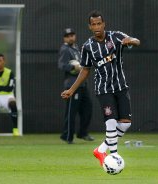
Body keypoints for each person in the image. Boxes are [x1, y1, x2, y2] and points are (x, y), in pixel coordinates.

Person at [61, 10, 140, 165]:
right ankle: (114, 157)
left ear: (104, 24)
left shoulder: (115, 36)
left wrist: (131, 41)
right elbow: (85, 70)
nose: (97, 26)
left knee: (125, 124)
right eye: (93, 24)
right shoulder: (87, 47)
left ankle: (101, 149)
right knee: (110, 121)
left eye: (99, 23)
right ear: (89, 27)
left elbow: (136, 40)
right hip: (103, 89)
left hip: (121, 86)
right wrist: (72, 90)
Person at [58, 28, 94, 144]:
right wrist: (74, 67)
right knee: (71, 111)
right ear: (64, 38)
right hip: (72, 85)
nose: (70, 37)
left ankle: (82, 133)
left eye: (72, 35)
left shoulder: (77, 49)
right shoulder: (65, 49)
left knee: (88, 108)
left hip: (82, 84)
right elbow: (62, 65)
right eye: (68, 36)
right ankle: (67, 136)